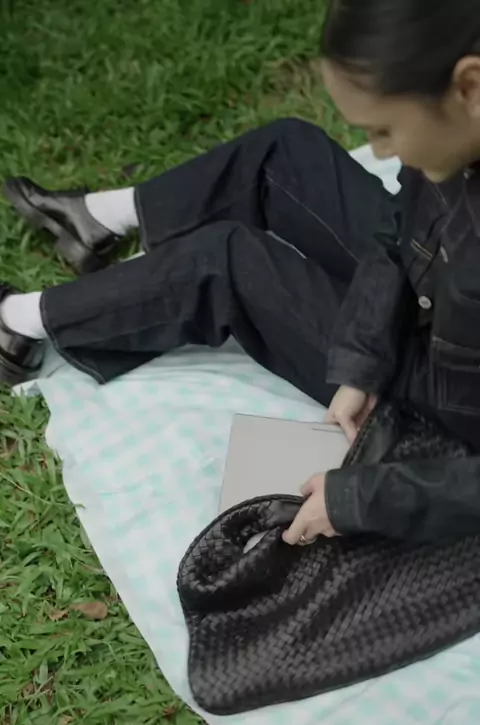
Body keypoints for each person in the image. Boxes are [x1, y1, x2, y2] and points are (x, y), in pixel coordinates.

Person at [2, 0, 480, 547]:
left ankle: (17, 324)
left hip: (443, 400)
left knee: (228, 260)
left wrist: (359, 499)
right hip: (431, 296)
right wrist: (360, 359)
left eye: (386, 131)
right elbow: (399, 229)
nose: (379, 151)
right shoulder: (459, 137)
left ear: (469, 87)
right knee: (286, 153)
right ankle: (99, 218)